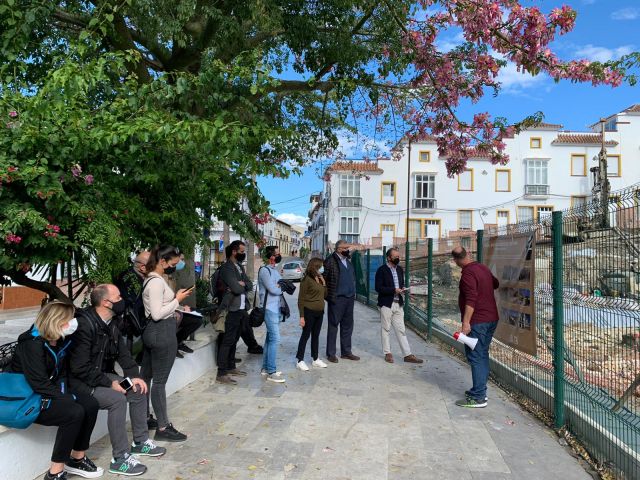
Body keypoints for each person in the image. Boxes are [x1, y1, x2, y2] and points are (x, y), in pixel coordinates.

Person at [69, 285, 165, 477]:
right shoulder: (84, 325)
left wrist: (135, 377)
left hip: (101, 377)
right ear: (106, 302)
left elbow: (124, 355)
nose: (122, 300)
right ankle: (120, 459)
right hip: (81, 383)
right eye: (118, 296)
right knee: (117, 399)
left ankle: (140, 442)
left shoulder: (112, 322)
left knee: (136, 390)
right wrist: (110, 383)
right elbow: (79, 368)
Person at [10, 301, 103, 480]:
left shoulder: (57, 340)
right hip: (28, 400)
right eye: (69, 319)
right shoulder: (32, 343)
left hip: (45, 394)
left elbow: (61, 375)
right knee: (74, 412)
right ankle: (55, 472)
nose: (73, 323)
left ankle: (77, 458)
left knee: (90, 403)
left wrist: (67, 394)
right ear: (56, 320)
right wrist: (66, 398)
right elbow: (38, 383)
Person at [141, 245, 191, 441]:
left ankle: (144, 417)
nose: (174, 267)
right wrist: (177, 300)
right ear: (162, 262)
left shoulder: (155, 280)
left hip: (157, 332)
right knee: (158, 383)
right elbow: (156, 314)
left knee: (146, 378)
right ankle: (163, 427)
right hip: (161, 332)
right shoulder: (155, 282)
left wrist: (174, 301)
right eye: (173, 264)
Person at [452, 246, 500, 408]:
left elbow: (471, 299)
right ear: (469, 254)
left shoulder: (467, 274)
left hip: (478, 321)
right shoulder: (482, 268)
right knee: (482, 354)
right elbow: (496, 283)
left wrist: (466, 322)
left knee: (475, 356)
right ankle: (479, 390)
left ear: (456, 260)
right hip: (492, 319)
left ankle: (479, 396)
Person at [375, 248, 423, 365]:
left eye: (398, 256)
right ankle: (388, 353)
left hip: (398, 303)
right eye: (395, 256)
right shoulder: (382, 270)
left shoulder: (400, 270)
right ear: (389, 258)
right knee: (386, 329)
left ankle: (407, 354)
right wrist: (393, 290)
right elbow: (378, 288)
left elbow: (400, 285)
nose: (398, 258)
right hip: (386, 304)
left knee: (401, 330)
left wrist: (404, 290)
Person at [216, 240, 252, 384]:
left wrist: (242, 284)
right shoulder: (227, 268)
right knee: (227, 340)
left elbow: (248, 284)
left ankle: (231, 366)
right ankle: (221, 372)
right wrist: (240, 285)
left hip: (241, 308)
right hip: (231, 309)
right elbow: (236, 289)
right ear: (234, 252)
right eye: (242, 252)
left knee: (235, 338)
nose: (244, 254)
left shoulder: (239, 267)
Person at [323, 240, 359, 363]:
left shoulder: (348, 262)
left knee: (348, 326)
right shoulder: (330, 261)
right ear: (339, 249)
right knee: (333, 326)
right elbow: (323, 280)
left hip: (349, 299)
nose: (348, 250)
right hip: (337, 299)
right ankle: (331, 353)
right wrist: (328, 296)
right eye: (346, 248)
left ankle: (346, 352)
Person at [258, 246, 285, 383]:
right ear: (271, 257)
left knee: (269, 339)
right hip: (269, 309)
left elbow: (282, 284)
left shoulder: (274, 270)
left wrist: (280, 285)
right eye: (277, 253)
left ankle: (265, 368)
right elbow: (274, 289)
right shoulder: (264, 271)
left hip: (276, 308)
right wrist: (280, 286)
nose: (280, 254)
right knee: (275, 339)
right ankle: (272, 372)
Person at [295, 258, 328, 371]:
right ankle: (300, 360)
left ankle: (315, 358)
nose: (323, 268)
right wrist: (302, 316)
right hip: (309, 312)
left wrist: (324, 283)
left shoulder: (319, 278)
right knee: (306, 335)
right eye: (321, 266)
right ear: (315, 267)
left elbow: (325, 295)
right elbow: (301, 299)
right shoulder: (306, 280)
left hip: (320, 312)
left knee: (316, 336)